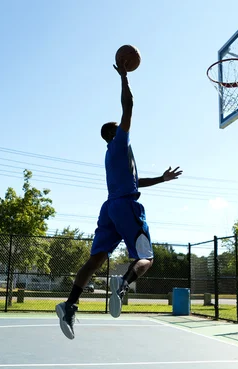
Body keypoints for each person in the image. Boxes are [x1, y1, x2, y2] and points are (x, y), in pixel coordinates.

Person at [55, 61, 182, 340]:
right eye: (120, 125)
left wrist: (160, 179)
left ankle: (70, 304)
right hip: (126, 206)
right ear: (114, 133)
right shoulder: (119, 141)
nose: (124, 125)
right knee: (146, 257)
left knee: (95, 260)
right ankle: (123, 285)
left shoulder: (112, 157)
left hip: (110, 207)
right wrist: (124, 78)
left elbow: (135, 182)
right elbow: (129, 106)